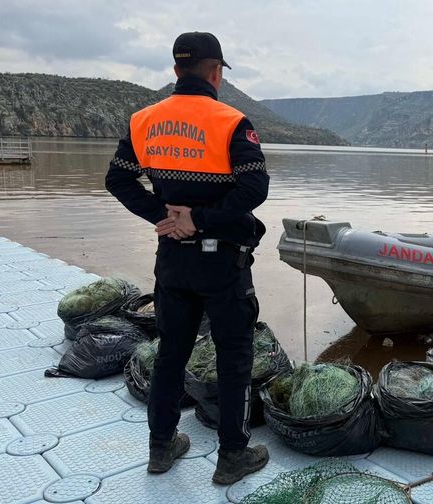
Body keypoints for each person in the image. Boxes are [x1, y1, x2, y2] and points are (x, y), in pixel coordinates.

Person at [105, 31, 270, 485]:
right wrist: (200, 218)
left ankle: (161, 449)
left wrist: (164, 215)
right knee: (234, 357)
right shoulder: (232, 121)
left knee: (170, 354)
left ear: (176, 70)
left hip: (173, 261)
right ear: (216, 71)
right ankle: (232, 456)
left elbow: (117, 181)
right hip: (222, 264)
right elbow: (255, 189)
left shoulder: (144, 121)